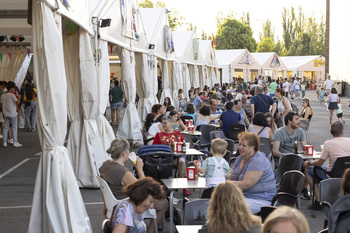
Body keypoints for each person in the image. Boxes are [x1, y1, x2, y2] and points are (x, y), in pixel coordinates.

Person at [100, 138, 168, 233]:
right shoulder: (122, 172)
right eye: (128, 150)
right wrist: (140, 169)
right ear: (124, 153)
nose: (129, 152)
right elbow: (145, 189)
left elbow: (104, 190)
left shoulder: (104, 166)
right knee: (163, 203)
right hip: (127, 202)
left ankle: (157, 226)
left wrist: (106, 205)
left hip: (112, 203)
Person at [304, 121, 350, 210]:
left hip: (332, 174)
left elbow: (320, 163)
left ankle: (318, 200)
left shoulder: (328, 143)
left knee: (308, 170)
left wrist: (309, 163)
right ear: (342, 131)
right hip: (347, 174)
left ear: (331, 132)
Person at [229, 132, 276, 214]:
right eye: (239, 144)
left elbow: (247, 184)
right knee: (219, 203)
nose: (240, 147)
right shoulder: (240, 158)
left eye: (244, 145)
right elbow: (230, 176)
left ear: (252, 147)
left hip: (261, 199)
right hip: (245, 197)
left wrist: (225, 184)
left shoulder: (257, 160)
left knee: (230, 208)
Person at [0, 82, 22, 147]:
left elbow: (1, 105)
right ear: (11, 88)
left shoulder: (2, 96)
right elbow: (17, 102)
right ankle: (15, 142)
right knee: (14, 128)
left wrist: (3, 112)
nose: (14, 90)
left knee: (5, 128)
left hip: (6, 113)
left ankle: (4, 142)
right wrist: (19, 97)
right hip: (13, 114)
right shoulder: (12, 95)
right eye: (14, 88)